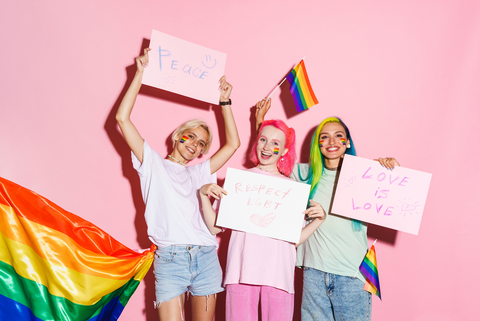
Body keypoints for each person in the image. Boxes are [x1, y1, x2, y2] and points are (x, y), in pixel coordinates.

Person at [116, 48, 241, 321]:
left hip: (206, 257)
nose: (194, 145)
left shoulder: (199, 173)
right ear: (177, 136)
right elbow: (122, 119)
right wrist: (139, 74)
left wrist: (225, 102)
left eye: (200, 144)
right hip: (170, 260)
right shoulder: (152, 164)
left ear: (200, 153)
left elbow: (233, 144)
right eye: (190, 137)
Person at [255, 99, 399, 321]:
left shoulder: (365, 176)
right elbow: (269, 156)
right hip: (313, 275)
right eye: (324, 136)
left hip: (352, 276)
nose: (331, 141)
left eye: (338, 135)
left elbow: (394, 197)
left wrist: (390, 170)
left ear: (347, 142)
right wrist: (259, 122)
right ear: (318, 144)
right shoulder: (303, 175)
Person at [199, 118, 327, 321]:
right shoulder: (238, 180)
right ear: (256, 142)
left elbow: (295, 239)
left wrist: (319, 220)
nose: (267, 147)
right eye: (263, 139)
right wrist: (204, 195)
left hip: (279, 274)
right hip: (240, 271)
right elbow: (215, 229)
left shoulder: (291, 188)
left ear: (284, 150)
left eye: (275, 143)